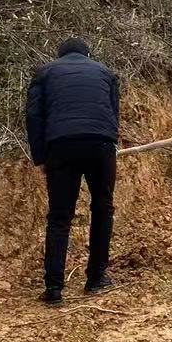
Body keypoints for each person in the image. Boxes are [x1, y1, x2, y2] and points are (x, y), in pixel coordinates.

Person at [26, 37, 121, 306]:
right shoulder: (105, 72)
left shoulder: (44, 73)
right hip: (100, 144)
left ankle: (54, 288)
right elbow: (114, 112)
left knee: (59, 217)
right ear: (87, 54)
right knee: (102, 208)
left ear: (60, 55)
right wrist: (109, 141)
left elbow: (34, 116)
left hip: (61, 146)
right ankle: (96, 278)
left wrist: (41, 157)